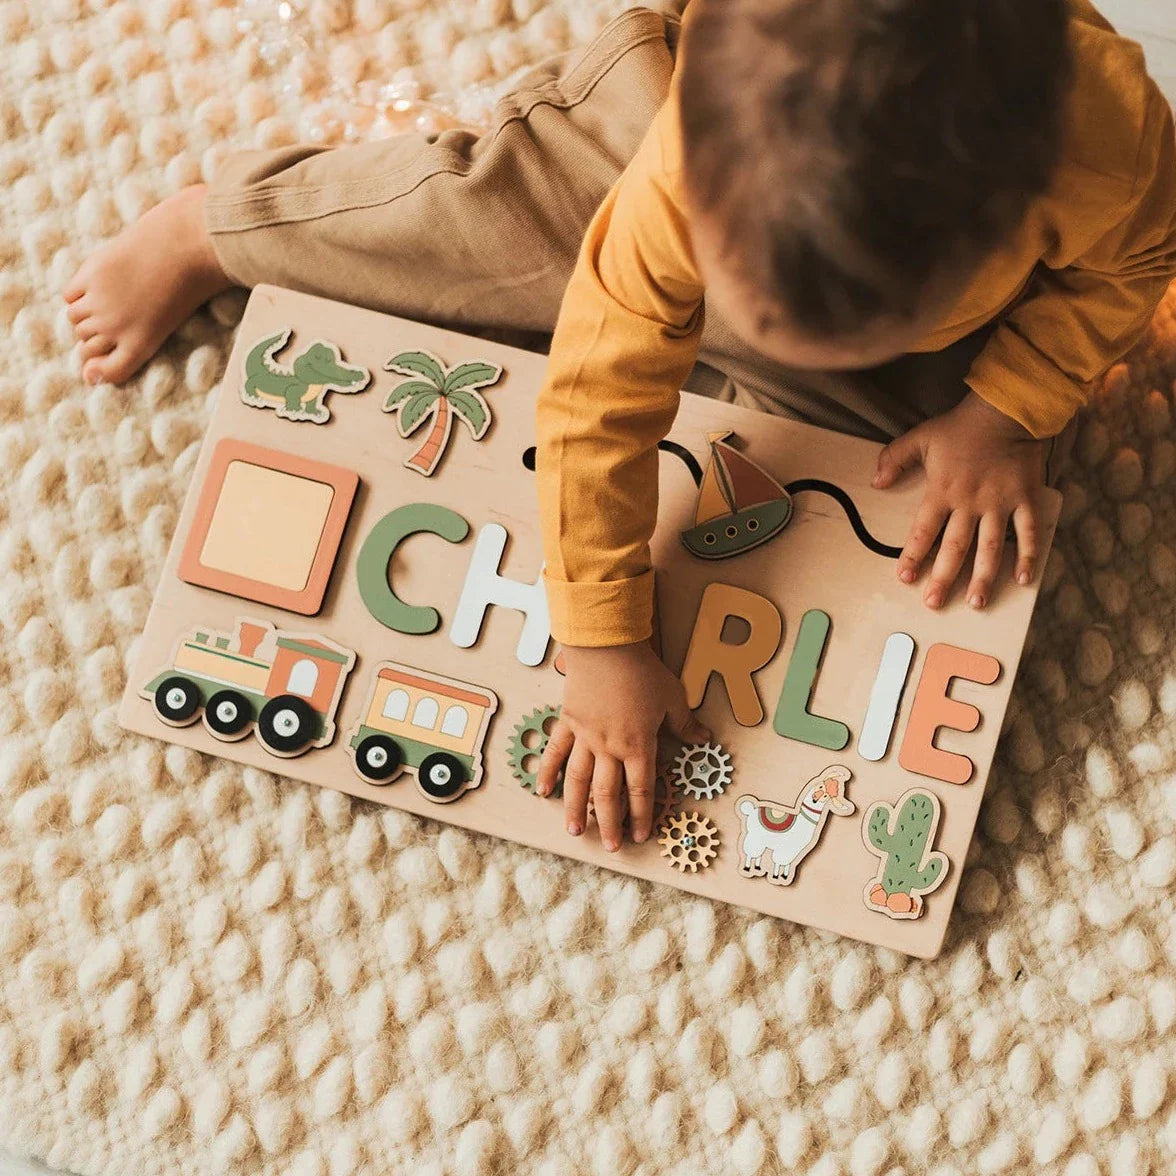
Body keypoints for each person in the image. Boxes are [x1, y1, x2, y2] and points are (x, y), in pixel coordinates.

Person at [65, 1, 1176, 854]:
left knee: (874, 491)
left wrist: (1006, 409)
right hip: (665, 117)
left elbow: (1131, 265)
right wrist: (601, 642)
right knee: (471, 219)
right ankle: (219, 226)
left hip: (901, 284)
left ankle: (898, 356)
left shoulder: (1110, 139)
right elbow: (599, 396)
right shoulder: (686, 161)